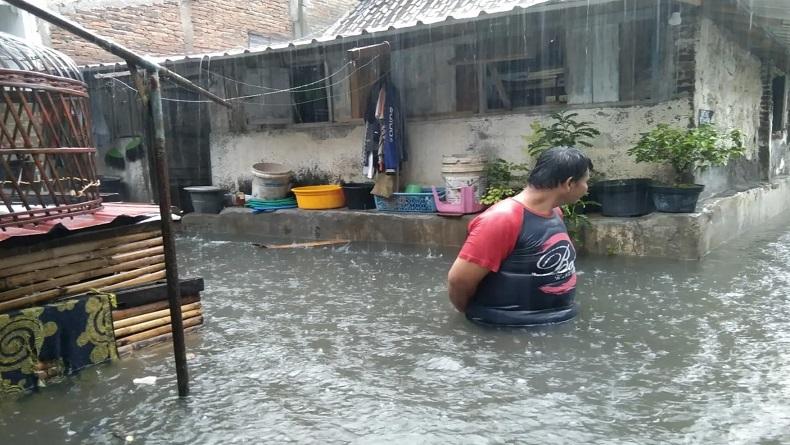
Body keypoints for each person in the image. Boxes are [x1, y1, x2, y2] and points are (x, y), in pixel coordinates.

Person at [447, 146, 592, 326]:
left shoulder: (555, 212)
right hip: (507, 332)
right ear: (569, 183)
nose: (587, 189)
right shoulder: (502, 219)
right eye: (586, 182)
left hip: (555, 325)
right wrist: (473, 315)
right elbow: (458, 280)